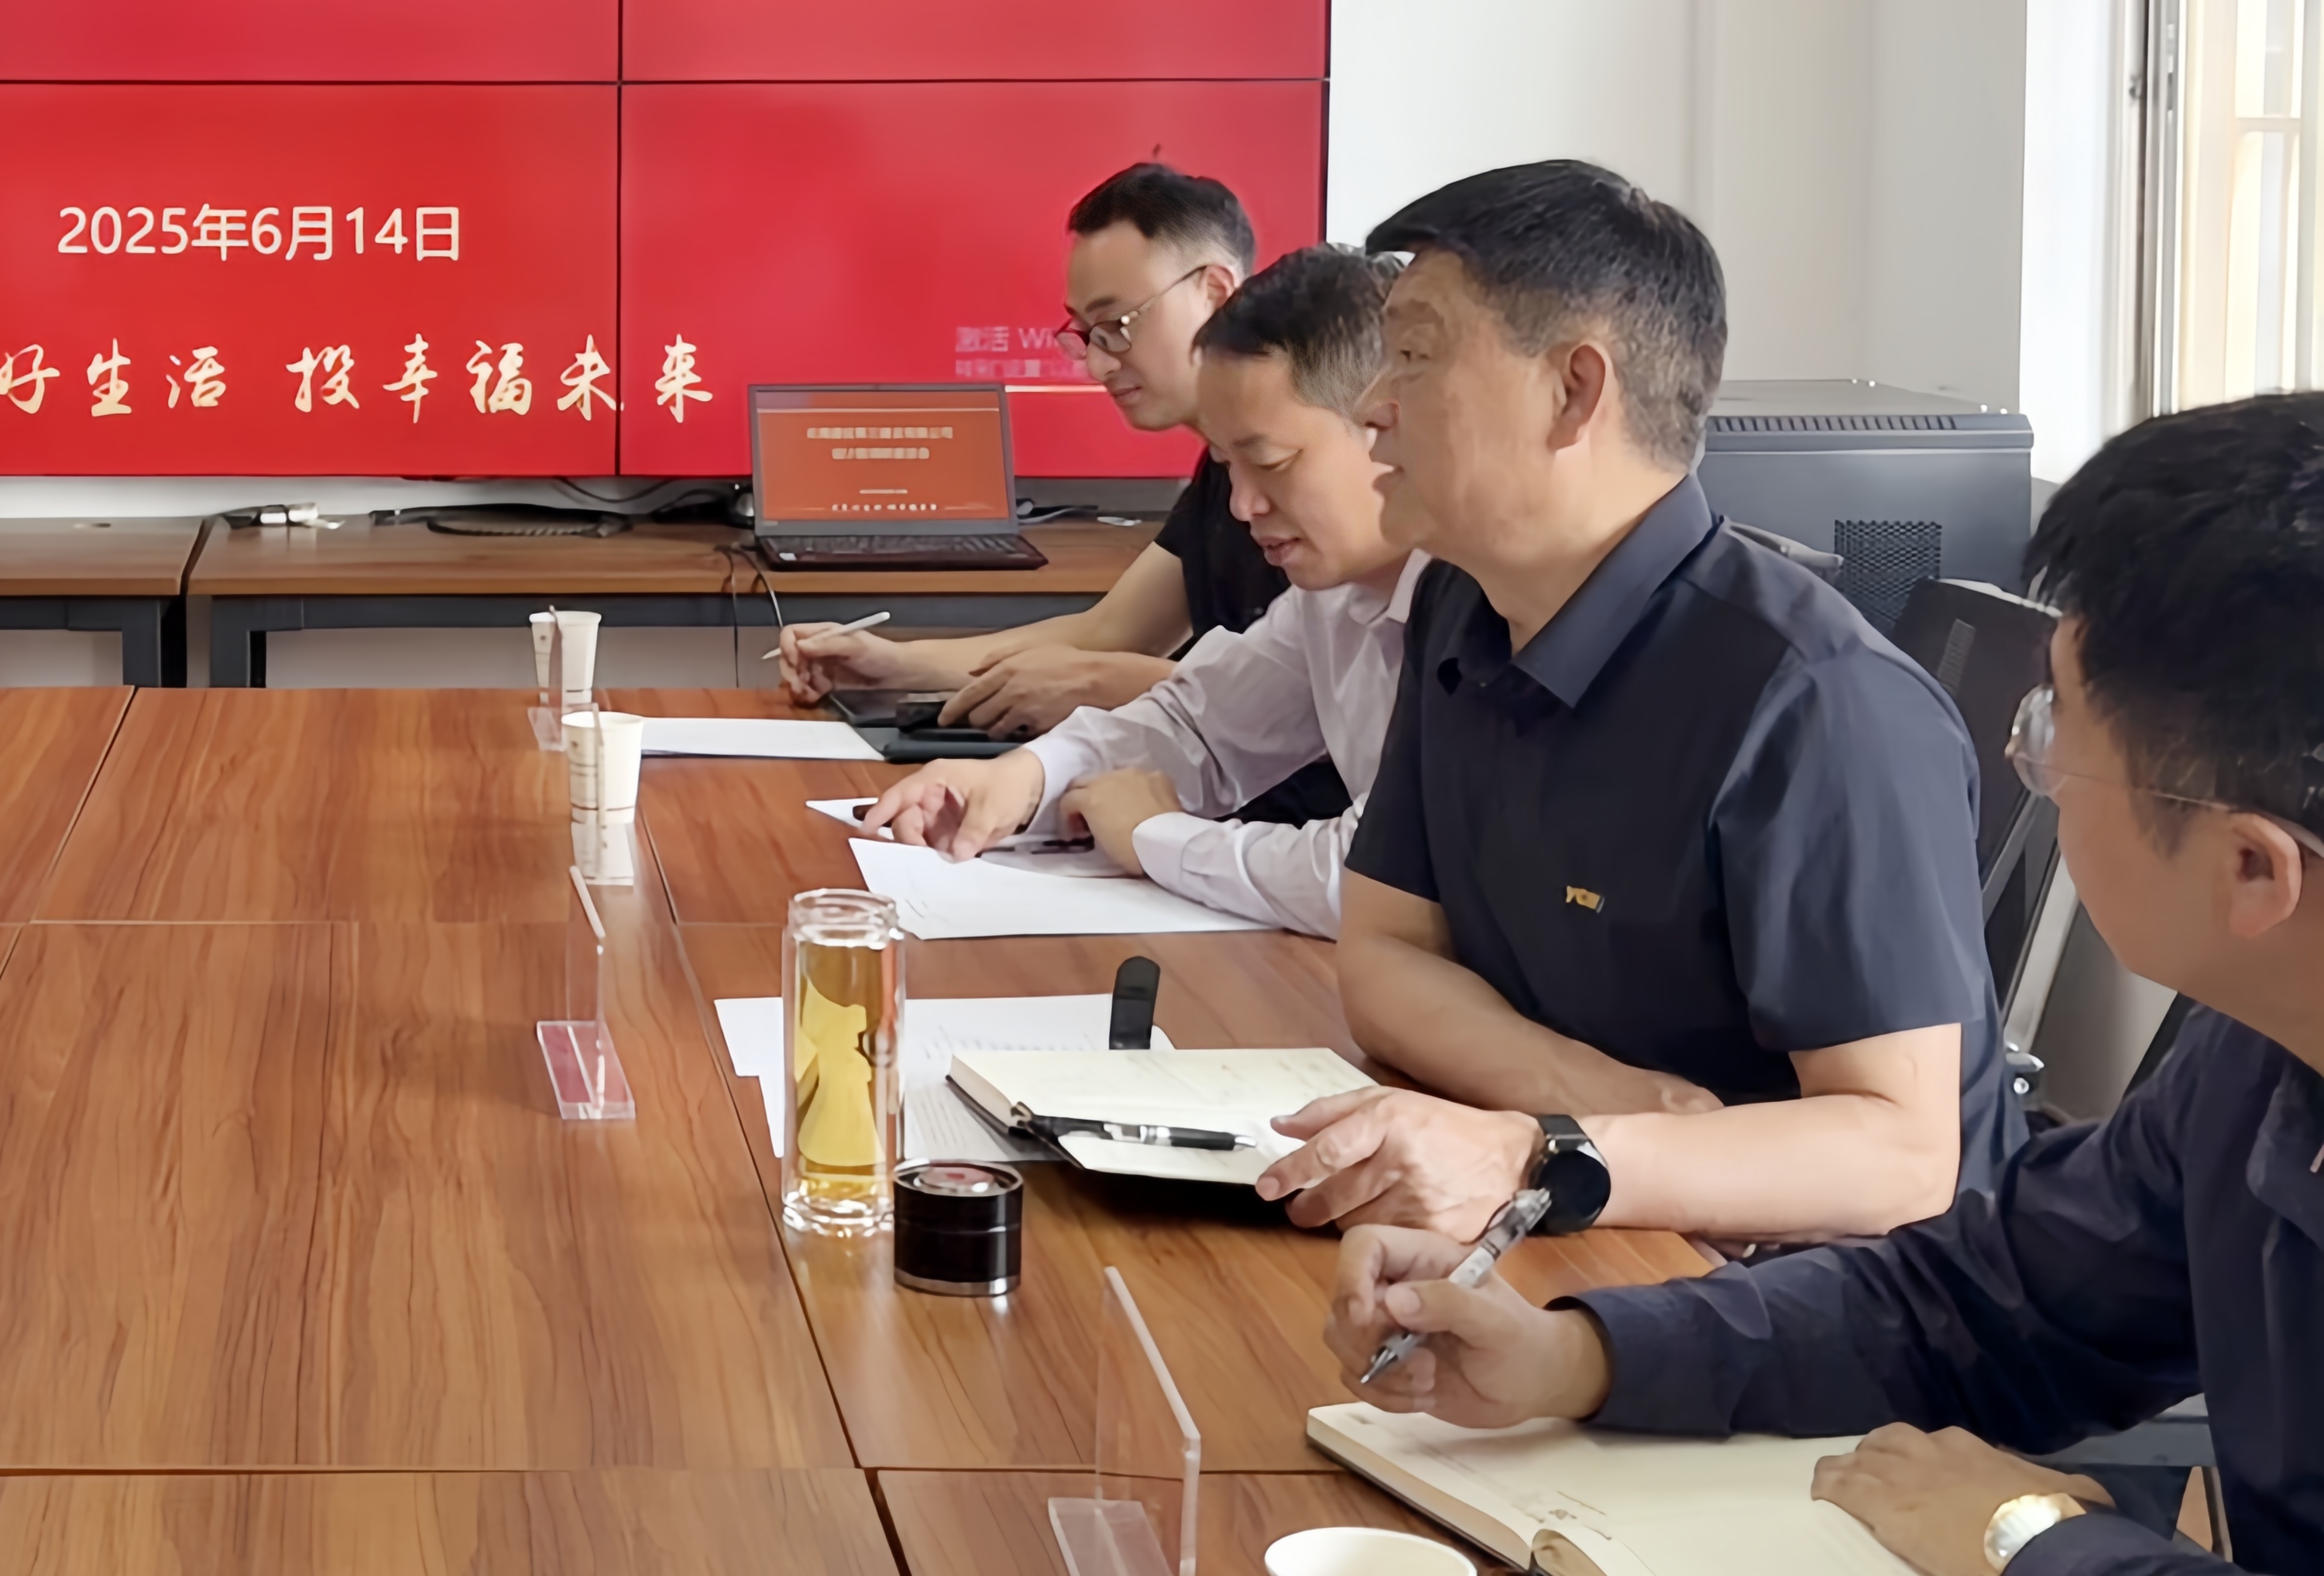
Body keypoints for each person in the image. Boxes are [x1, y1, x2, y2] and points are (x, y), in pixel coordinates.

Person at [1326, 393, 2324, 1576]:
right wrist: (1578, 1355)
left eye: (2057, 737)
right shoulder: (2258, 1053)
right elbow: (1986, 1298)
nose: (2034, 768)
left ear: (2252, 870)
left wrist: (2034, 1546)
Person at [1258, 160, 2006, 1245]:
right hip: (1600, 1215)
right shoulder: (1464, 607)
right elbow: (1384, 957)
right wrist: (1601, 1112)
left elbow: (1898, 1154)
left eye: (1412, 356)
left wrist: (1548, 1153)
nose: (1373, 407)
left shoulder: (1818, 702)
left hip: (1814, 1296)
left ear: (1574, 391)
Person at [863, 245, 1411, 938]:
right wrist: (1025, 779)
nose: (1242, 505)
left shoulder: (1487, 603)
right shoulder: (1332, 597)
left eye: (1271, 463)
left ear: (1392, 425)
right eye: (1228, 466)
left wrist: (1158, 836)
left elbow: (1380, 879)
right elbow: (1202, 725)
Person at [776, 167, 1339, 820]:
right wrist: (896, 665)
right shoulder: (1224, 478)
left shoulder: (1339, 498)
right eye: (1086, 334)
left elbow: (1325, 718)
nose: (1098, 363)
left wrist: (1111, 685)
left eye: (1118, 324)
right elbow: (1109, 633)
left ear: (1214, 291)